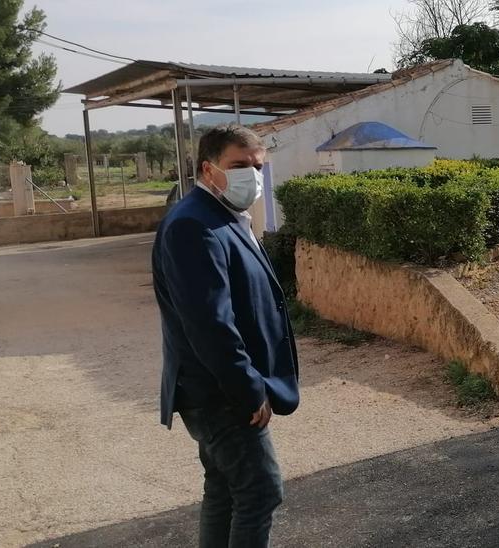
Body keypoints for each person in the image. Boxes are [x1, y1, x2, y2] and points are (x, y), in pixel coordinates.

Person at [152, 124, 299, 547]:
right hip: (219, 391)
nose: (251, 176)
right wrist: (248, 388)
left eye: (258, 167)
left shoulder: (221, 216)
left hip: (218, 387)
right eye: (239, 165)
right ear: (209, 169)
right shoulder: (192, 225)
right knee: (260, 491)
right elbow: (209, 323)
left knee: (224, 489)